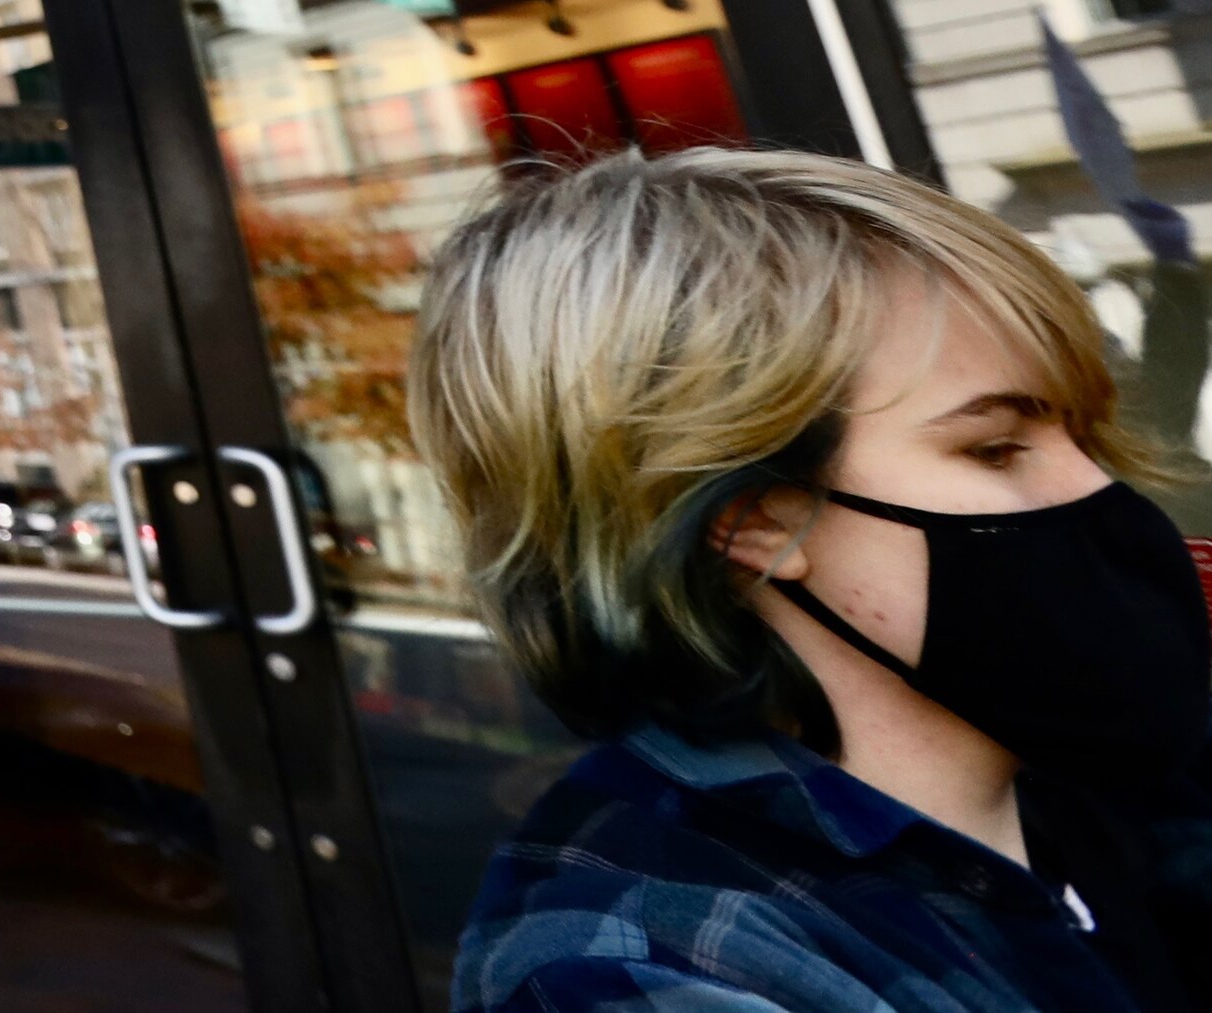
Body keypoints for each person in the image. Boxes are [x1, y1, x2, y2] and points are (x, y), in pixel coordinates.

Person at [418, 144, 1212, 1012]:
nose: (1096, 490)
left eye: (1083, 432)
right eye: (993, 447)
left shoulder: (1118, 784)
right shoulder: (635, 961)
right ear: (756, 519)